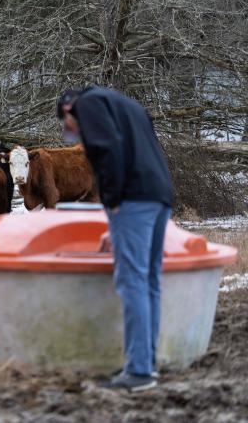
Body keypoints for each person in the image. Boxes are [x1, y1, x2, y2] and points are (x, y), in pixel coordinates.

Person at [57, 86, 174, 392]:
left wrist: (112, 200)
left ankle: (138, 371)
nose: (74, 134)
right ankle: (147, 363)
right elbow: (137, 149)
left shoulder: (87, 105)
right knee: (149, 281)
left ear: (68, 111)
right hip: (159, 196)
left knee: (131, 280)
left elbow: (107, 148)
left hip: (132, 199)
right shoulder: (127, 105)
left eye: (70, 129)